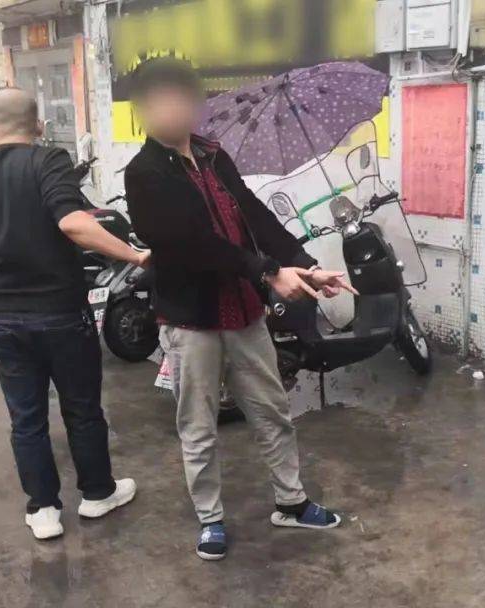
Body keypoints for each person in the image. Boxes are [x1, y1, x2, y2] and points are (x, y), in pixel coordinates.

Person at [123, 58, 356, 561]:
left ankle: (291, 502)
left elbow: (253, 214)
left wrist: (305, 265)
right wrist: (268, 272)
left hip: (244, 311)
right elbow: (191, 244)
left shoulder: (213, 155)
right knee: (199, 426)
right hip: (191, 318)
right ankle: (210, 519)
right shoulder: (143, 174)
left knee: (272, 410)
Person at [0, 87, 149, 540]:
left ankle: (44, 509)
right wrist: (135, 255)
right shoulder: (49, 161)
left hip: (4, 320)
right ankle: (97, 494)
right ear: (40, 128)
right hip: (62, 314)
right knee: (82, 409)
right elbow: (73, 222)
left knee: (26, 418)